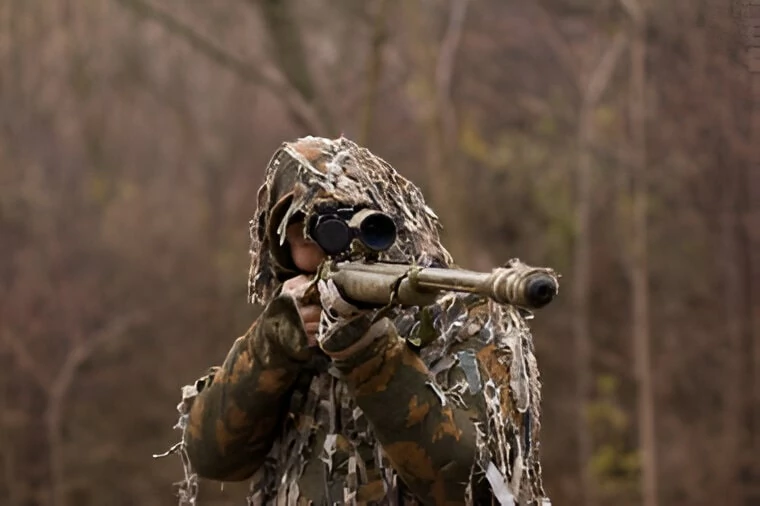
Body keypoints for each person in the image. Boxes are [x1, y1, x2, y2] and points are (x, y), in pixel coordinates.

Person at [168, 136, 551, 505]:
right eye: (306, 239)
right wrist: (275, 342)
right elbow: (212, 456)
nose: (329, 256)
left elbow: (473, 488)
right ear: (282, 247)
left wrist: (367, 351)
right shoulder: (288, 330)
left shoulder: (468, 320)